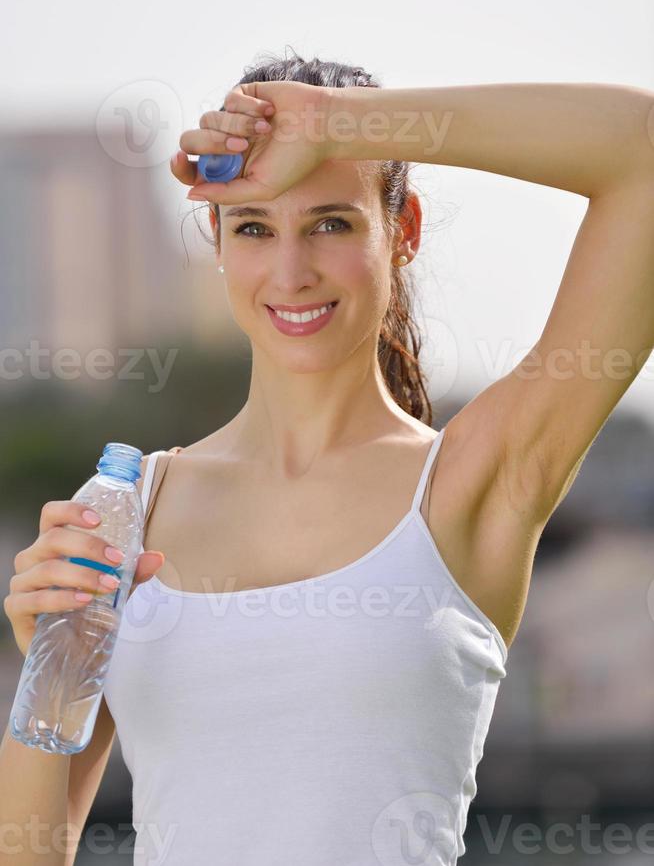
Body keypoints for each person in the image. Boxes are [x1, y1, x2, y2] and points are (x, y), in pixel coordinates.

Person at [3, 52, 653, 865]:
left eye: (331, 222)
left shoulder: (473, 482)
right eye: (253, 227)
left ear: (402, 231)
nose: (291, 271)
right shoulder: (128, 508)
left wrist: (333, 124)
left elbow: (643, 152)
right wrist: (46, 660)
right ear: (219, 239)